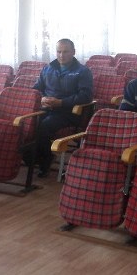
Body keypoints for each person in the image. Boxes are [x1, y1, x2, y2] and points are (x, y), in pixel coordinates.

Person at [32, 39, 93, 177]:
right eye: (59, 51)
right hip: (47, 108)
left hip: (69, 112)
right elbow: (36, 89)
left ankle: (45, 159)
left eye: (65, 52)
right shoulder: (48, 68)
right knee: (28, 123)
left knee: (44, 125)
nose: (61, 55)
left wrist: (61, 102)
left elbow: (86, 96)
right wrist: (41, 99)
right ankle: (34, 159)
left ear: (73, 52)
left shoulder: (83, 71)